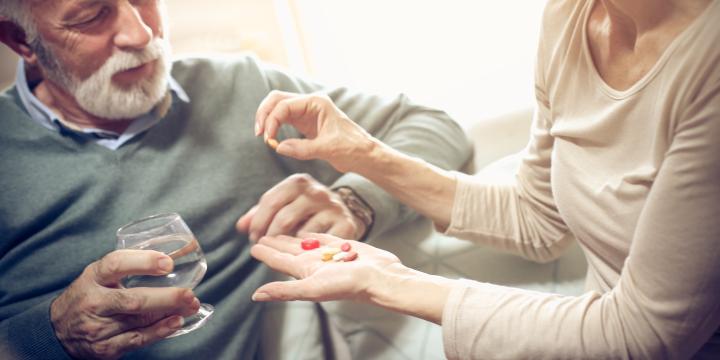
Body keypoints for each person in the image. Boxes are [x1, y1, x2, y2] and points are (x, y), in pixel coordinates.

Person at [0, 0, 472, 359]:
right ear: (21, 40)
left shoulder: (240, 86)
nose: (140, 32)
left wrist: (357, 201)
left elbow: (433, 125)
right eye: (90, 16)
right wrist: (52, 333)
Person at [248, 0, 720, 358]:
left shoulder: (707, 61)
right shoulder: (572, 16)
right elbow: (537, 218)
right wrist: (363, 153)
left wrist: (388, 281)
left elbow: (646, 334)